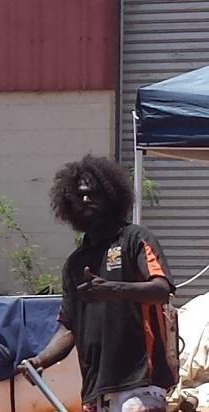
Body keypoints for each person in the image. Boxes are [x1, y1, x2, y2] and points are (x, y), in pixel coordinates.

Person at [19, 155, 176, 412]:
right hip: (95, 389)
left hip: (139, 381)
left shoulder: (135, 239)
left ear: (112, 195)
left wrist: (112, 289)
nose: (86, 200)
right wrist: (40, 360)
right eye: (79, 196)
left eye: (93, 193)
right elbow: (68, 328)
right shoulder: (75, 263)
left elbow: (161, 290)